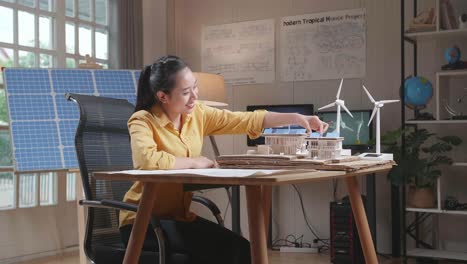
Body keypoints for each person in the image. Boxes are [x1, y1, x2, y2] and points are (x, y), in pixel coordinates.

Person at [119, 55, 329, 264]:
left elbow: (244, 120)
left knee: (243, 250)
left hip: (178, 218)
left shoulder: (196, 114)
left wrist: (296, 118)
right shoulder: (142, 120)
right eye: (185, 92)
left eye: (195, 87)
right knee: (225, 253)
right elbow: (146, 160)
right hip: (143, 223)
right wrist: (194, 161)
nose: (194, 97)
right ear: (163, 96)